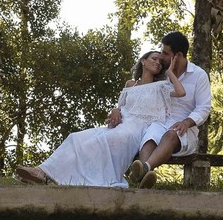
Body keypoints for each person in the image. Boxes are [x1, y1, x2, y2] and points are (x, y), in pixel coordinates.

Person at [16, 50, 185, 187]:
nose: (157, 63)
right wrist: (115, 111)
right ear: (143, 61)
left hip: (136, 129)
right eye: (154, 59)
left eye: (160, 63)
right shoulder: (130, 84)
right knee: (76, 138)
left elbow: (180, 92)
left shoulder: (160, 86)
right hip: (121, 124)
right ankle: (41, 172)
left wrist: (170, 72)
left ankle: (58, 175)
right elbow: (120, 106)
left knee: (111, 139)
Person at [124, 31, 212, 189]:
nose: (161, 56)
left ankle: (144, 169)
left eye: (165, 53)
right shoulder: (160, 74)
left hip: (184, 129)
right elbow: (140, 91)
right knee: (150, 137)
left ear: (177, 55)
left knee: (172, 133)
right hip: (159, 122)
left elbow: (203, 108)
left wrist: (187, 122)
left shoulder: (199, 75)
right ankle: (143, 176)